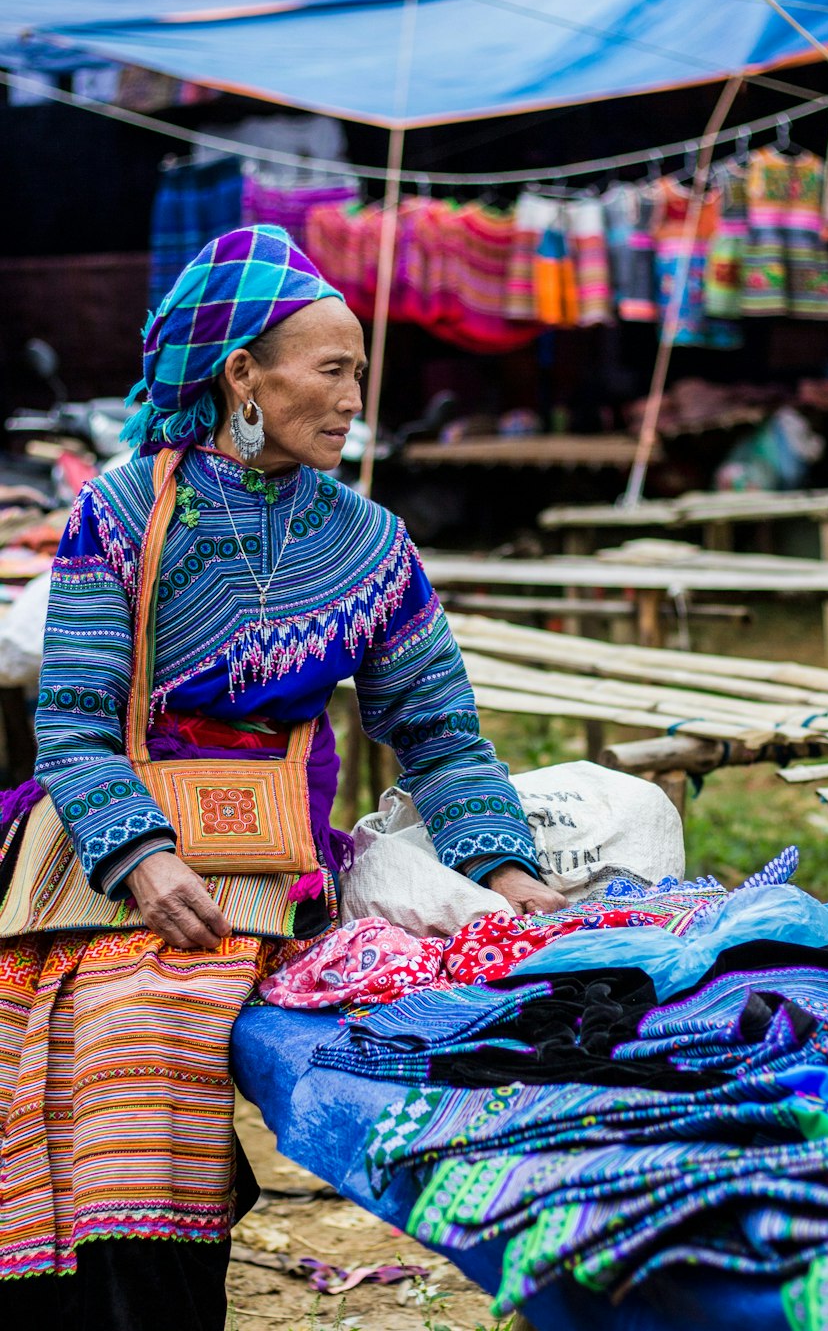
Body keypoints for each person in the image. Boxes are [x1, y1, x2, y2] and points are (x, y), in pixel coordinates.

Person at [0, 225, 565, 1328]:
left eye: (360, 371)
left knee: (156, 1023)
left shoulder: (372, 542)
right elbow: (68, 724)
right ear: (243, 375)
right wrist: (143, 854)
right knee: (106, 1020)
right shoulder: (119, 513)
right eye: (334, 368)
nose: (356, 395)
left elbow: (441, 734)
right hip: (108, 833)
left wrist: (506, 870)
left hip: (272, 846)